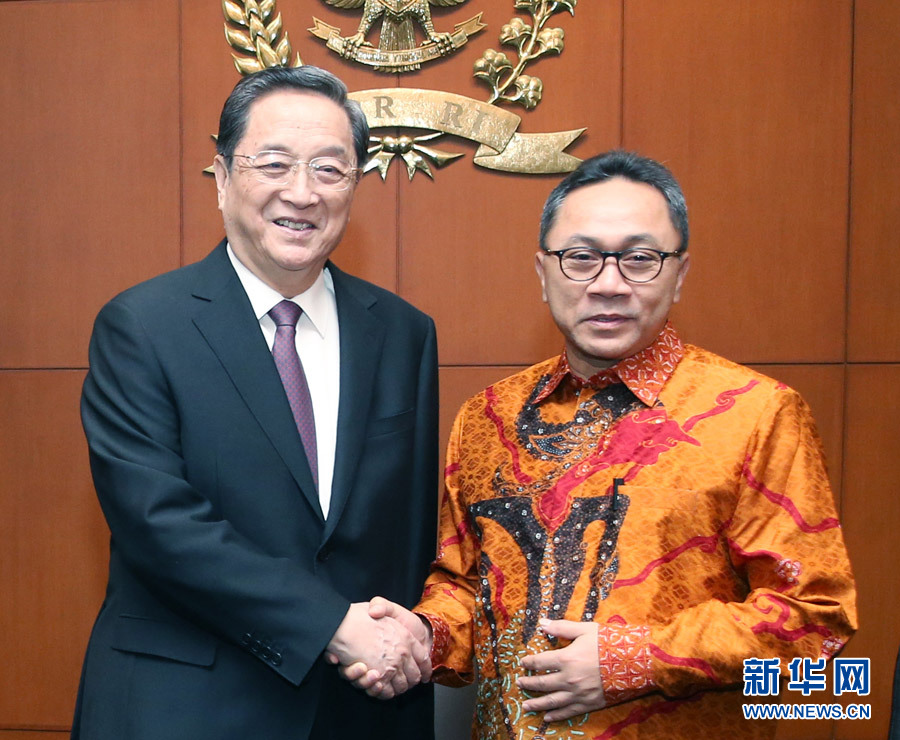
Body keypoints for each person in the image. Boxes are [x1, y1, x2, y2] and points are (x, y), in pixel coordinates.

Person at [348, 150, 857, 738]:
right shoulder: (488, 417)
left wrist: (634, 660)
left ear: (679, 274)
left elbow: (818, 620)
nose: (608, 284)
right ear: (543, 273)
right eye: (581, 258)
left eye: (640, 259)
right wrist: (423, 635)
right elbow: (465, 590)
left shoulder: (756, 413)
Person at [72, 65, 438, 740]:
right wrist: (331, 624)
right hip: (184, 707)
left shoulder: (403, 333)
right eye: (274, 163)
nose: (302, 192)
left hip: (356, 709)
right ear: (221, 177)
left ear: (354, 185)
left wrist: (409, 638)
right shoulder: (143, 326)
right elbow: (159, 523)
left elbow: (409, 534)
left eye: (329, 169)